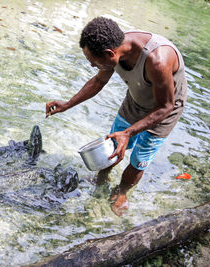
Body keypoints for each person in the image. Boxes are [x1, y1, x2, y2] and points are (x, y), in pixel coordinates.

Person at [45, 17, 187, 216]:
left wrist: (128, 132)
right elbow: (98, 82)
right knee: (111, 145)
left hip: (164, 109)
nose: (93, 66)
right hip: (136, 100)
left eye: (93, 62)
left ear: (109, 54)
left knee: (139, 159)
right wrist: (68, 104)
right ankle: (100, 180)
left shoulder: (158, 60)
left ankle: (122, 192)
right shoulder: (113, 47)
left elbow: (165, 106)